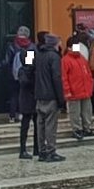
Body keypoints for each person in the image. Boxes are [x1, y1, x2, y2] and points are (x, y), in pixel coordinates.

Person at [34, 33, 65, 162]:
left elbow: (30, 68)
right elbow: (56, 78)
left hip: (39, 94)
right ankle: (51, 151)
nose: (61, 45)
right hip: (50, 95)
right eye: (59, 43)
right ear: (55, 44)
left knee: (40, 125)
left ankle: (41, 151)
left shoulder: (38, 54)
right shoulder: (54, 57)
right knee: (50, 125)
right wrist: (61, 99)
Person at [62, 36, 94, 140]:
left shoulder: (82, 58)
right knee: (74, 112)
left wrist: (90, 85)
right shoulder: (65, 60)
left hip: (85, 90)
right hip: (74, 91)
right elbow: (64, 77)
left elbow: (88, 73)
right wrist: (67, 91)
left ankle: (87, 128)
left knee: (87, 111)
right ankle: (76, 129)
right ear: (69, 48)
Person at [6, 25, 34, 122]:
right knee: (25, 95)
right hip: (26, 75)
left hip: (14, 75)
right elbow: (29, 63)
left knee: (14, 95)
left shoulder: (12, 45)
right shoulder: (30, 46)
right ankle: (23, 113)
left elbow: (7, 61)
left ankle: (12, 116)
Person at [16, 47, 38, 159]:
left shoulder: (34, 70)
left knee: (37, 125)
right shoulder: (22, 70)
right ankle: (22, 149)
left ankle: (37, 148)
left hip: (34, 99)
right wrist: (30, 70)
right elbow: (25, 83)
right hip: (25, 100)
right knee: (25, 125)